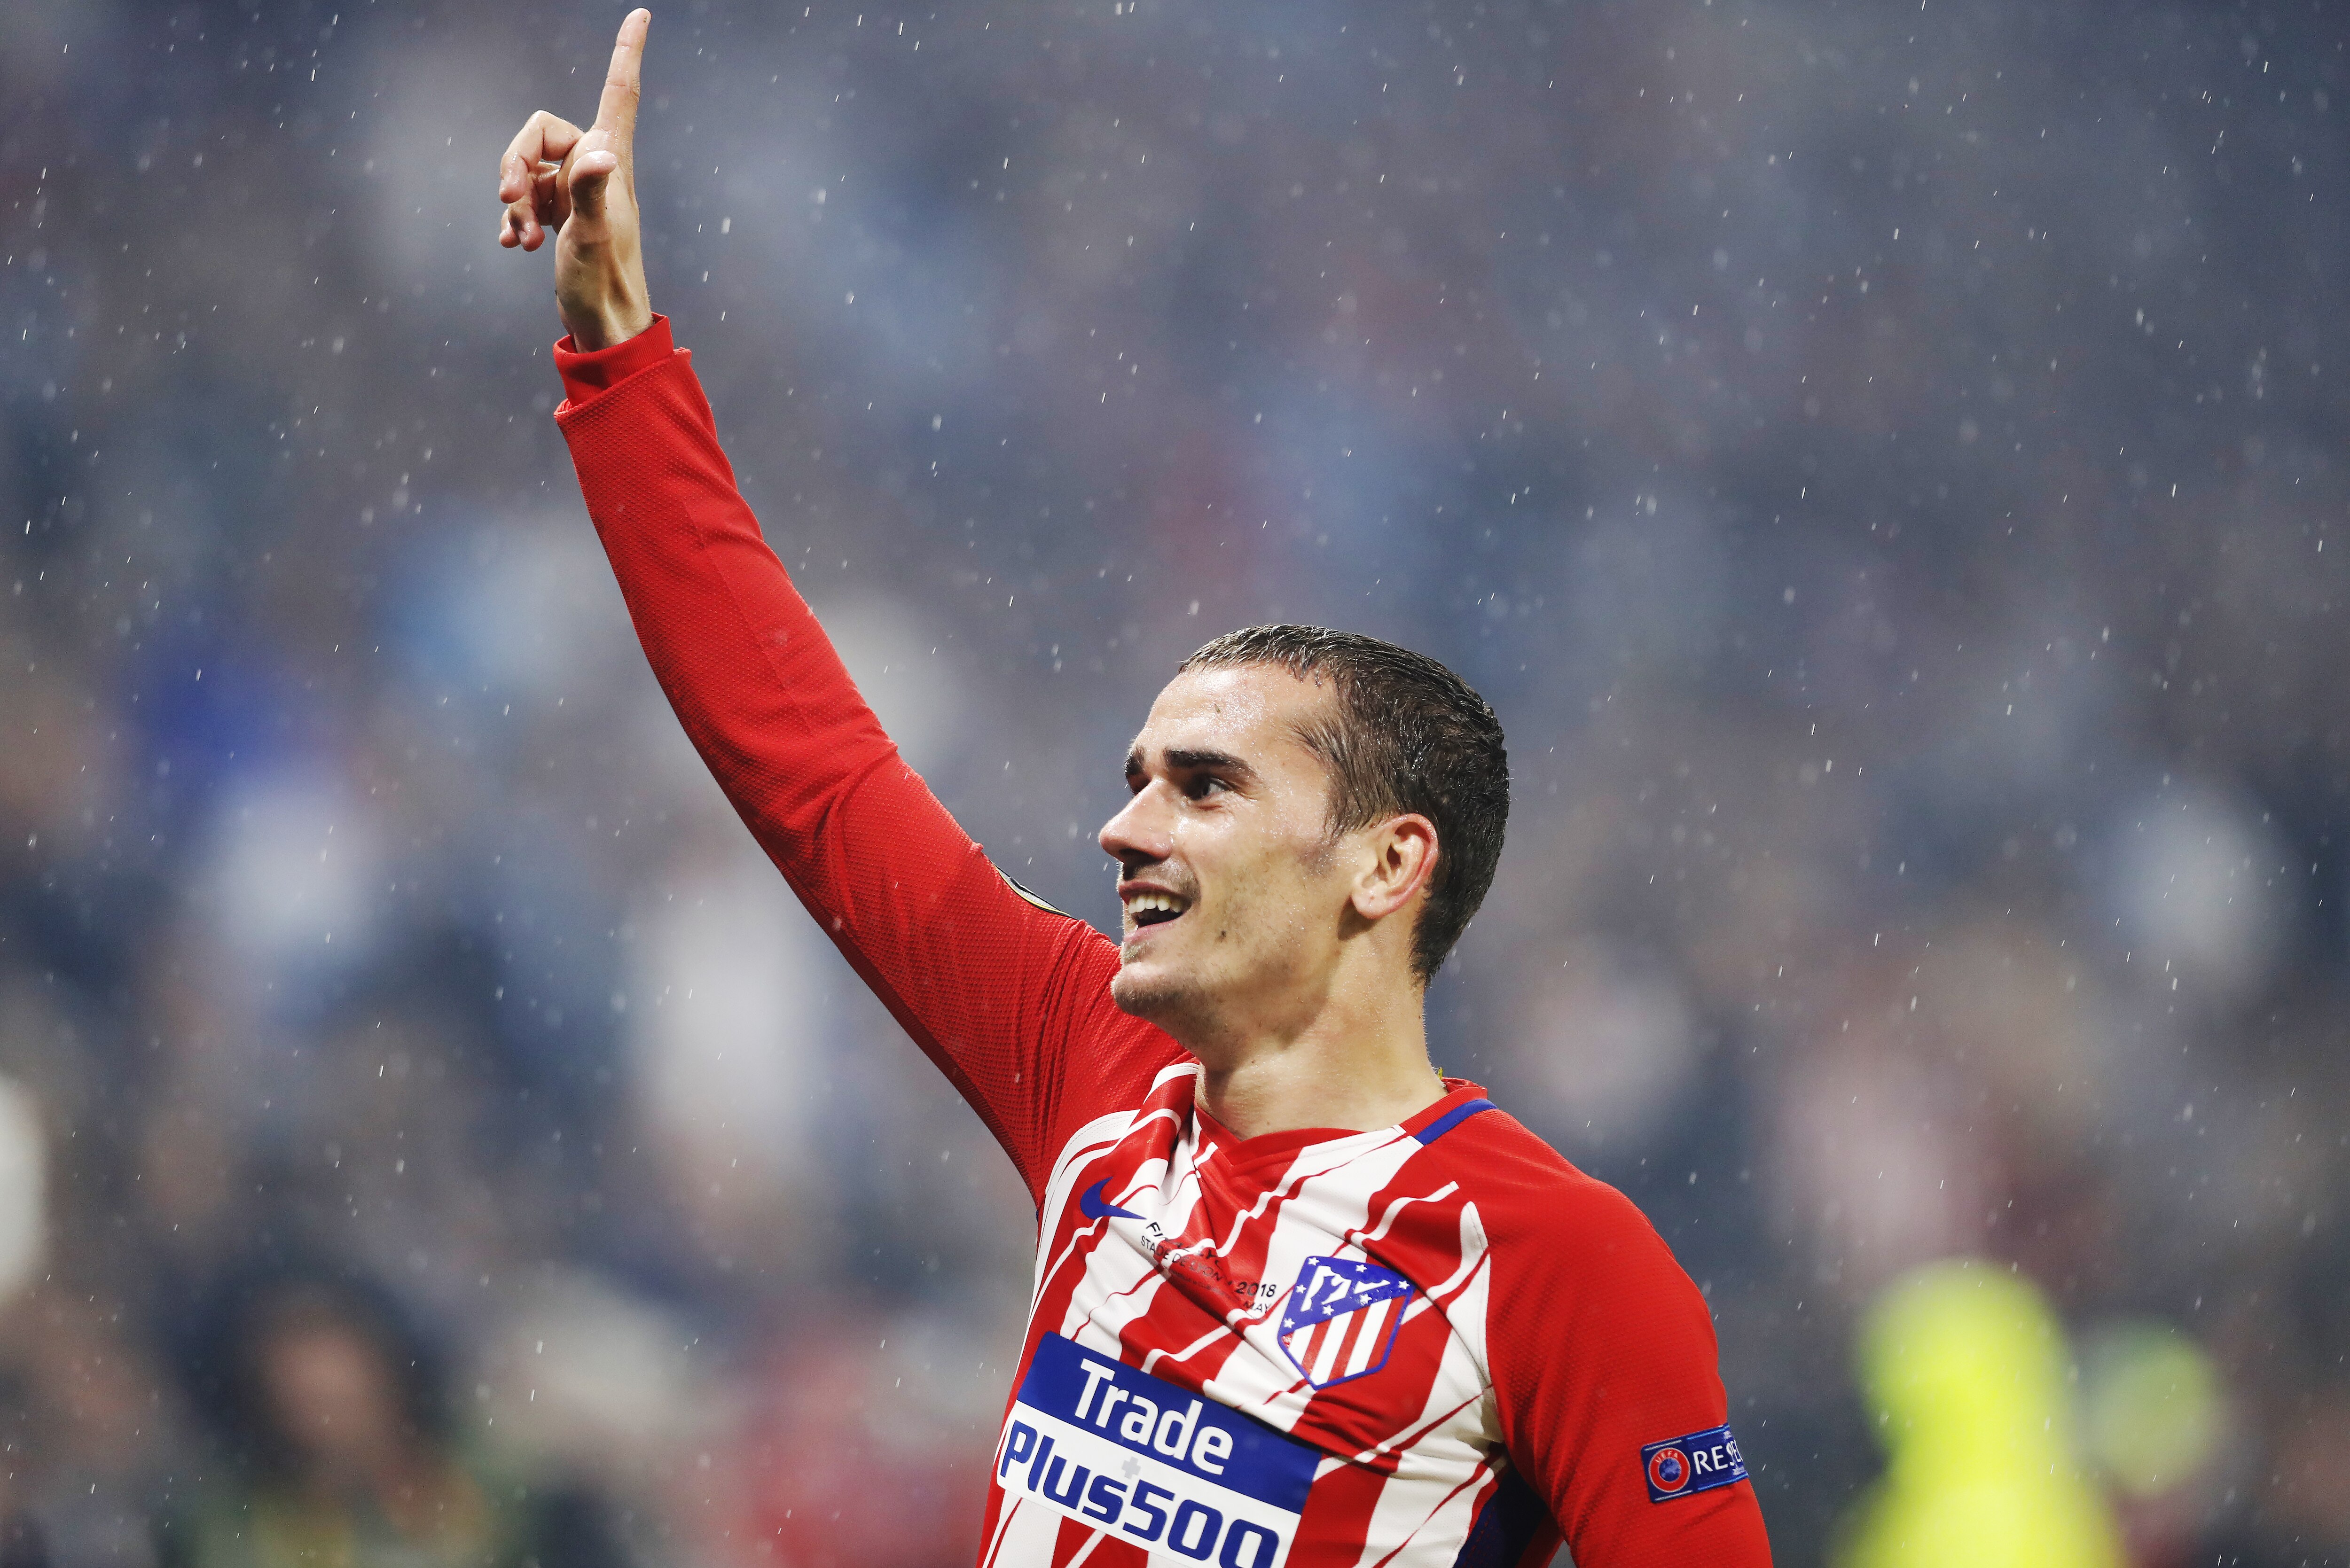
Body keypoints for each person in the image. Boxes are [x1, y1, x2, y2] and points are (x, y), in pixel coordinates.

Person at [494, 13, 1773, 1564]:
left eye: (1203, 786)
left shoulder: (1558, 1256)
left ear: (1387, 863)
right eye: (1136, 780)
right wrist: (615, 345)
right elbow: (805, 760)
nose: (1125, 826)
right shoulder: (1095, 1068)